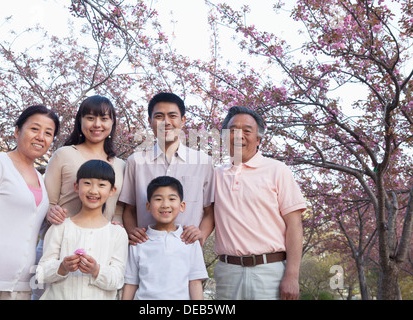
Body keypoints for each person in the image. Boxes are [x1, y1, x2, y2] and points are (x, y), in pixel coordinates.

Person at [0, 105, 60, 300]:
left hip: (21, 288)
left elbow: (28, 226)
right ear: (17, 131)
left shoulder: (40, 178)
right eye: (34, 129)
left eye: (48, 133)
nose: (41, 137)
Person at [213, 106, 306, 300]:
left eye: (247, 130)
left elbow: (295, 225)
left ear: (258, 139)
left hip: (269, 272)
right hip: (228, 274)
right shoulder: (215, 176)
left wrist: (292, 275)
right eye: (232, 130)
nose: (239, 136)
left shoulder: (277, 170)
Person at [120, 92, 214, 246]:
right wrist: (132, 232)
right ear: (150, 121)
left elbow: (210, 212)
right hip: (146, 250)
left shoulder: (203, 162)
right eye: (159, 116)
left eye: (172, 116)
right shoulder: (135, 162)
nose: (166, 122)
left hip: (188, 251)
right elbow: (128, 209)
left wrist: (201, 236)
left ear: (182, 120)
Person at [37, 160, 128, 300]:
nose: (93, 190)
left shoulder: (117, 233)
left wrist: (96, 270)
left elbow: (118, 279)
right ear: (76, 186)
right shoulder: (60, 227)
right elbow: (41, 272)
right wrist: (62, 267)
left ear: (112, 191)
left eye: (102, 185)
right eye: (87, 183)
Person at [122, 176, 208, 300]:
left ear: (182, 205)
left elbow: (195, 282)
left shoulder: (189, 241)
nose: (165, 205)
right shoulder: (139, 242)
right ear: (148, 206)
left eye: (172, 199)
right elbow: (131, 283)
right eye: (158, 199)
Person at [44, 95, 126, 225]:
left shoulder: (121, 165)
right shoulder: (63, 155)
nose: (97, 124)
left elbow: (118, 210)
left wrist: (117, 224)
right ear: (80, 121)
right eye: (90, 118)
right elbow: (48, 202)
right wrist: (52, 212)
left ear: (112, 123)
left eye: (104, 118)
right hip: (65, 238)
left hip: (105, 241)